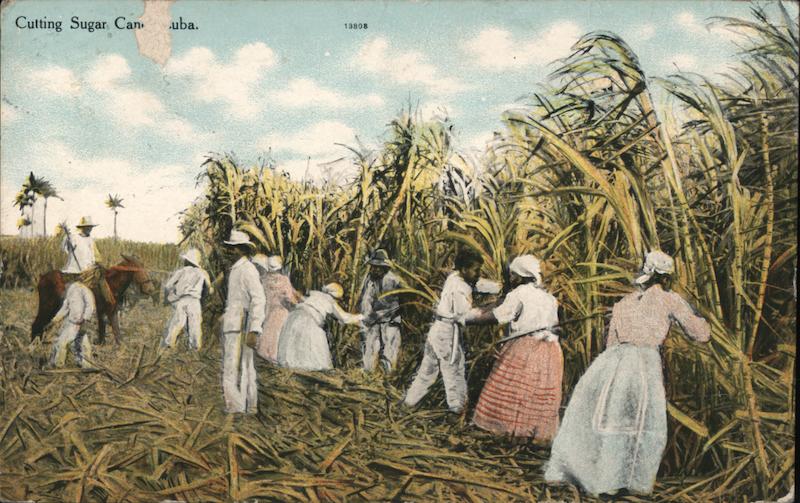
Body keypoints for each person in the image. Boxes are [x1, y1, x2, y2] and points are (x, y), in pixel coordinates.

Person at [544, 250, 711, 497]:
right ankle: (627, 481)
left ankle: (600, 478)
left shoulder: (624, 303)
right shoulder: (670, 300)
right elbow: (700, 333)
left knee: (607, 418)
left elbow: (611, 342)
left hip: (611, 364)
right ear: (665, 279)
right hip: (643, 364)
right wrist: (707, 324)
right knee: (640, 422)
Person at [466, 255, 562, 443]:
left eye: (512, 275)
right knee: (535, 392)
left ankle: (507, 431)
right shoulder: (550, 298)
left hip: (525, 348)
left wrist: (468, 319)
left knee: (513, 389)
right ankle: (532, 435)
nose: (510, 279)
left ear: (518, 277)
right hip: (550, 350)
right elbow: (555, 326)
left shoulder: (518, 294)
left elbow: (498, 316)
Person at [403, 247, 500, 415]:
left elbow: (478, 283)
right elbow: (466, 316)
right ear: (464, 269)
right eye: (476, 270)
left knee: (428, 370)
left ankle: (409, 402)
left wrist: (497, 287)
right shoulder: (459, 288)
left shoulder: (455, 277)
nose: (479, 273)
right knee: (453, 370)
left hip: (437, 331)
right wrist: (493, 311)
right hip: (447, 333)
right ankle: (457, 409)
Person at [221, 230, 266, 414]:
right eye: (230, 248)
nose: (230, 252)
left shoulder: (247, 270)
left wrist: (255, 329)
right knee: (243, 366)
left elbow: (259, 299)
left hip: (240, 324)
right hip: (235, 323)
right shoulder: (238, 269)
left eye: (234, 248)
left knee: (234, 367)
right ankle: (248, 406)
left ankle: (237, 407)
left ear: (243, 250)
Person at [277, 282, 362, 371]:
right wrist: (360, 317)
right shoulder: (330, 301)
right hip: (309, 321)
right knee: (316, 346)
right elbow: (345, 318)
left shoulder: (314, 296)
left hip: (295, 317)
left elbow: (302, 301)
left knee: (295, 343)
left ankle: (293, 366)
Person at [359, 249, 403, 372]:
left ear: (384, 268)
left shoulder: (394, 280)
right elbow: (366, 300)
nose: (375, 269)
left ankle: (389, 376)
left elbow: (402, 299)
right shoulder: (370, 280)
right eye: (373, 267)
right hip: (374, 320)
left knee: (390, 350)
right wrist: (366, 317)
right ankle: (369, 374)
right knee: (371, 348)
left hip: (391, 320)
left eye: (378, 267)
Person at [161, 248, 213, 351]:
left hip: (182, 300)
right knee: (195, 324)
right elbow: (209, 288)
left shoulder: (181, 271)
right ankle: (194, 348)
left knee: (177, 322)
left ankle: (169, 344)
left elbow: (168, 286)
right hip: (194, 301)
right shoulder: (203, 273)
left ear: (188, 261)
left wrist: (167, 298)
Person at [251, 254, 300, 363]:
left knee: (268, 329)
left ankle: (264, 352)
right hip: (280, 309)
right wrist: (296, 303)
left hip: (268, 307)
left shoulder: (264, 279)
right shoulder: (284, 280)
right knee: (277, 332)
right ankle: (274, 355)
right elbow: (289, 296)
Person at [48, 281, 95, 369]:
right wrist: (55, 320)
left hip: (80, 323)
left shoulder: (84, 289)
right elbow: (65, 307)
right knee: (75, 344)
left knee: (65, 343)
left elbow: (90, 306)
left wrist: (85, 320)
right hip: (72, 322)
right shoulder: (71, 289)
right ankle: (61, 365)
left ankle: (61, 365)